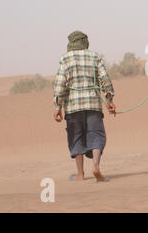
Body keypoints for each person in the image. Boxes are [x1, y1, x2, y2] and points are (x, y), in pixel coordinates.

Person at [53, 31, 116, 182]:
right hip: (93, 103)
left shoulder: (65, 58)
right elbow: (105, 79)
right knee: (96, 134)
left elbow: (60, 84)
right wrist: (109, 100)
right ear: (85, 42)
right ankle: (96, 167)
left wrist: (57, 106)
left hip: (73, 106)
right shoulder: (94, 56)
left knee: (76, 137)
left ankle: (80, 174)